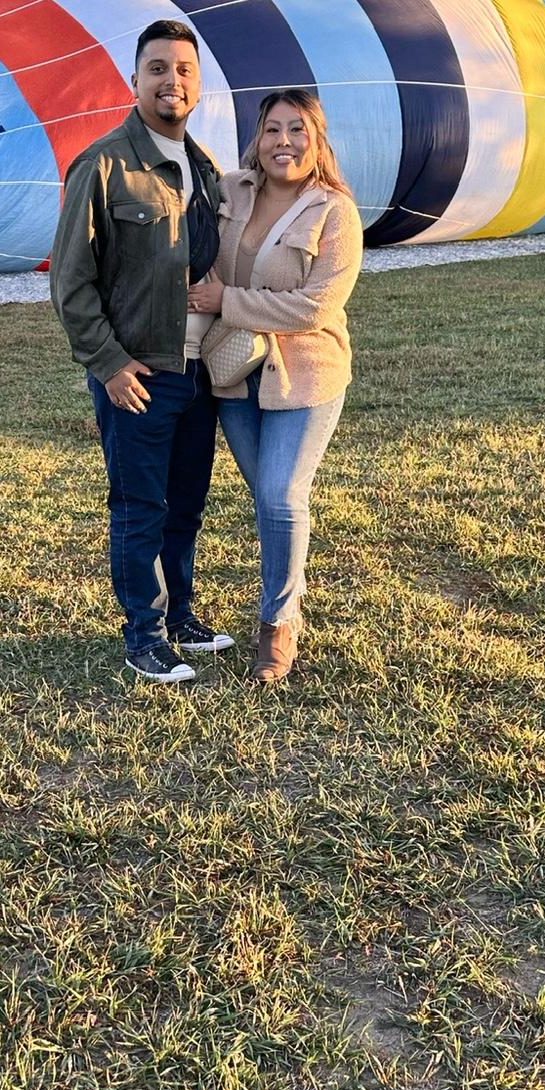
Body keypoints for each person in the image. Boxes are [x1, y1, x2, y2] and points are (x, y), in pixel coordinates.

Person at [50, 19, 233, 683]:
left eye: (183, 70)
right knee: (139, 510)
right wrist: (108, 363)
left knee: (185, 506)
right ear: (134, 80)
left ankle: (180, 617)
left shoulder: (205, 168)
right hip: (140, 375)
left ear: (198, 84)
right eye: (157, 68)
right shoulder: (102, 166)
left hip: (200, 372)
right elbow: (70, 282)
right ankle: (144, 638)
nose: (170, 81)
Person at [187, 89, 363, 684]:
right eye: (272, 130)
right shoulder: (230, 191)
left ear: (317, 141)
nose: (283, 142)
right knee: (267, 497)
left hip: (305, 376)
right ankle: (283, 596)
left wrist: (226, 300)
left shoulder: (334, 212)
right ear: (257, 139)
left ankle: (278, 622)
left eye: (297, 130)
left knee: (282, 495)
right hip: (235, 372)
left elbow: (316, 306)